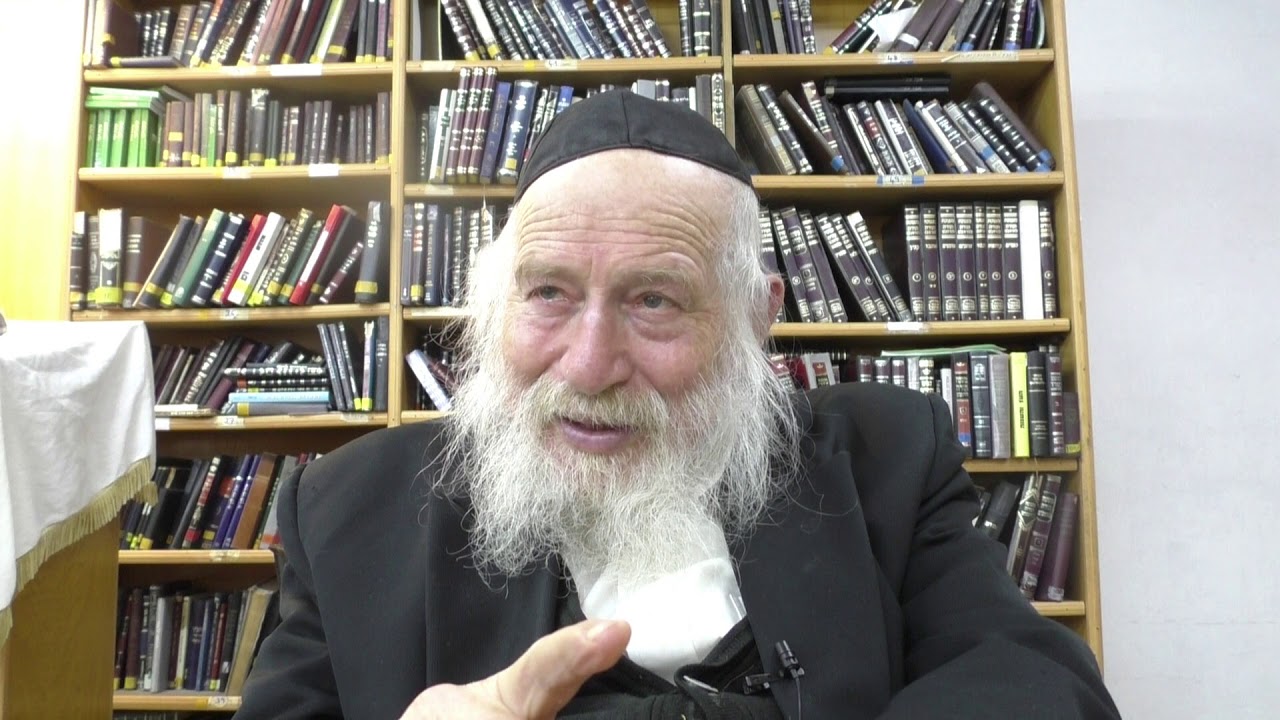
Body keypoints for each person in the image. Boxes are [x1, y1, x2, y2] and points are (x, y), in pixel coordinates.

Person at [235, 89, 1121, 720]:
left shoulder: (889, 456)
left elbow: (1036, 685)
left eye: (655, 300)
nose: (589, 366)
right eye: (548, 293)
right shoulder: (346, 509)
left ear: (756, 318)